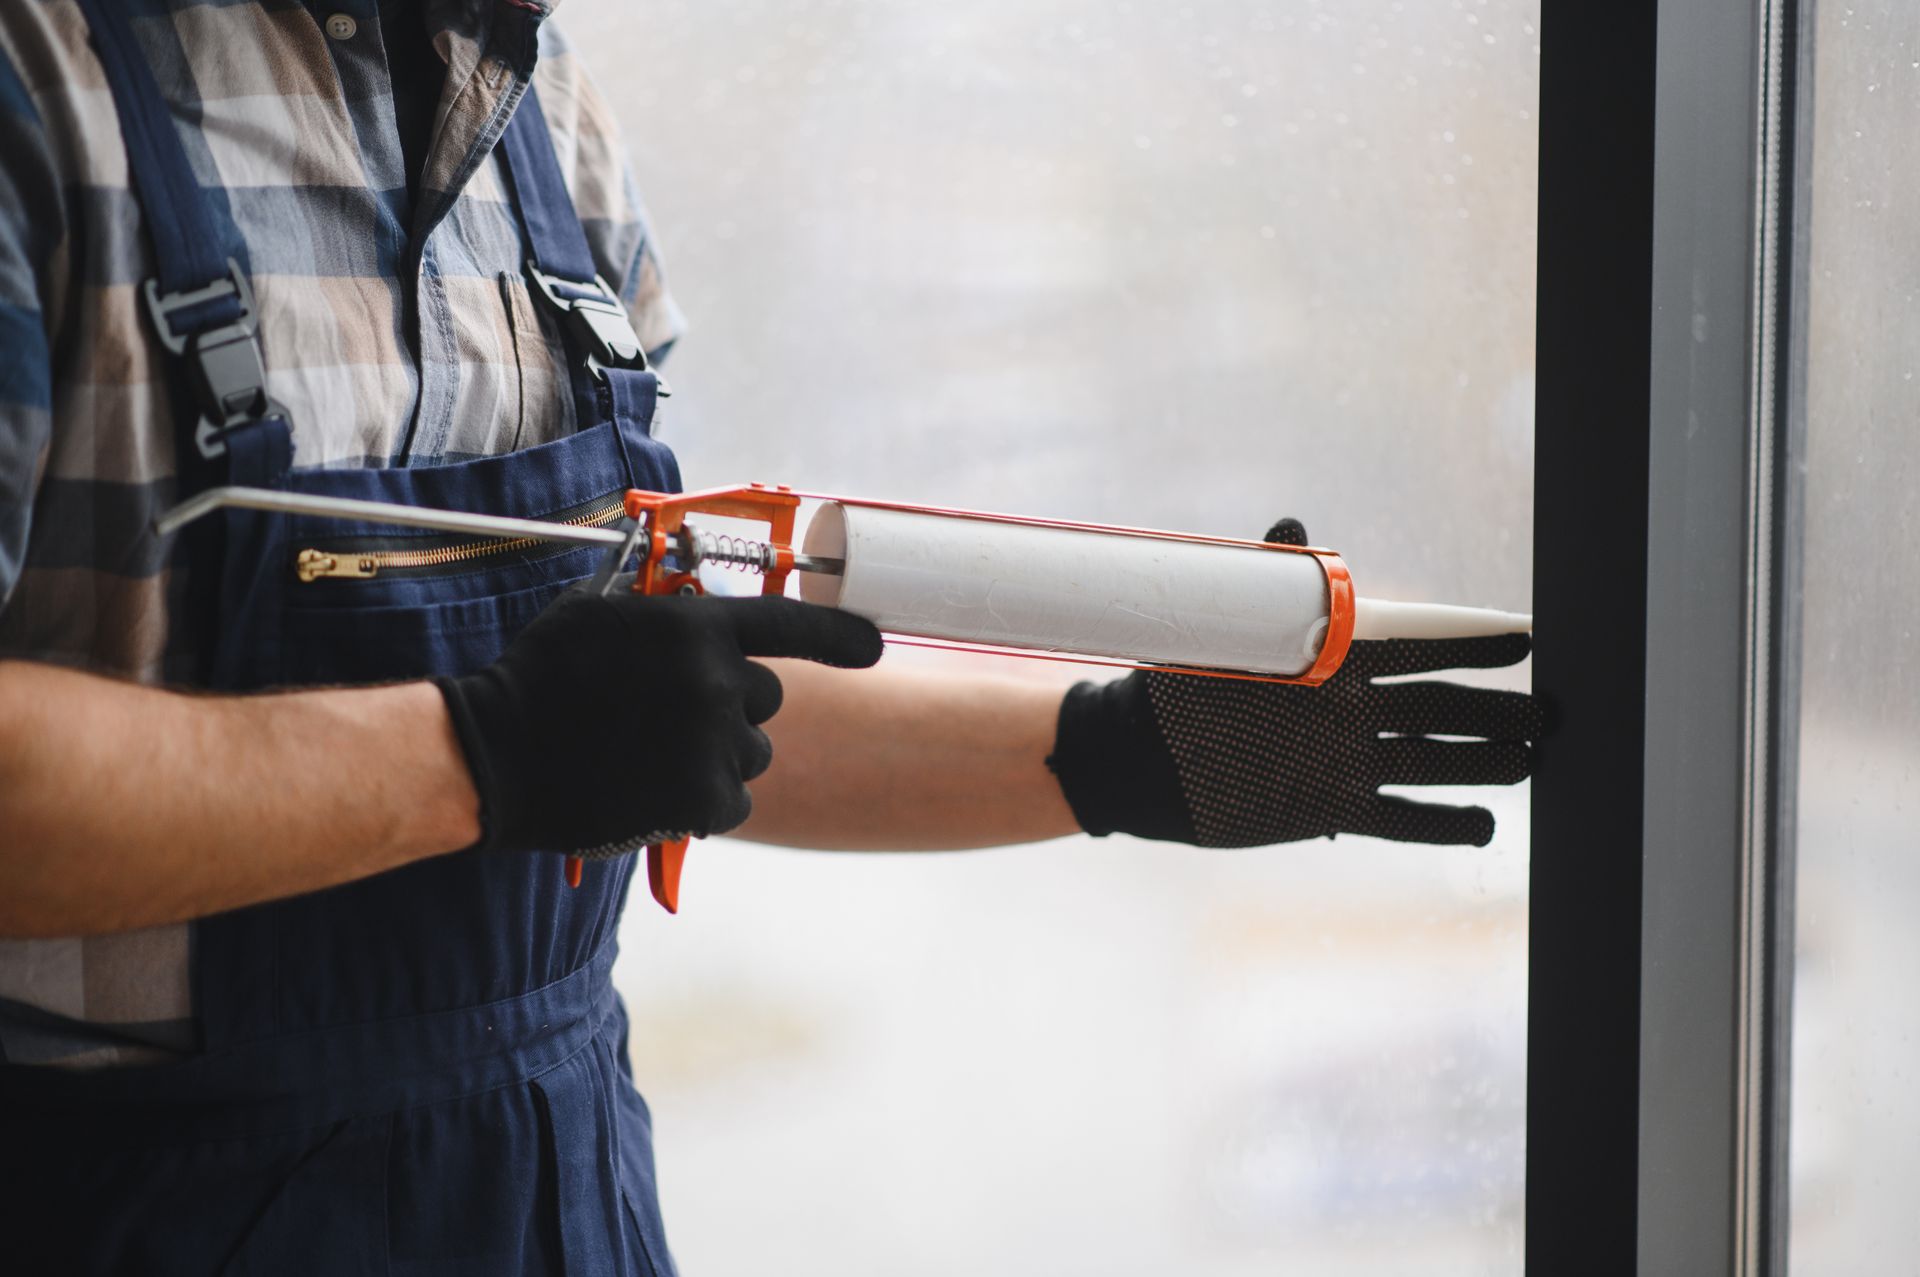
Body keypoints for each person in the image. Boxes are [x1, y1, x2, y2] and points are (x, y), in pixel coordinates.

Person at [0, 2, 1541, 1272]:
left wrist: (1113, 752)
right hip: (140, 1210)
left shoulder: (543, 121)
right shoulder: (42, 80)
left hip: (556, 1196)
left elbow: (675, 705)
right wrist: (482, 754)